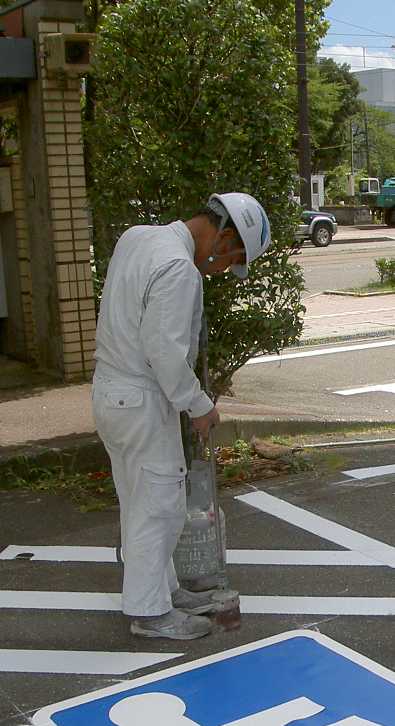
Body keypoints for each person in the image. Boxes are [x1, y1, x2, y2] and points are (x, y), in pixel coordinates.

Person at [91, 193, 271, 640]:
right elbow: (163, 353)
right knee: (160, 506)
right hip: (142, 397)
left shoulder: (138, 238)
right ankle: (150, 612)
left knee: (140, 500)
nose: (222, 270)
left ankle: (163, 589)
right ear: (224, 236)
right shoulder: (179, 269)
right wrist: (199, 405)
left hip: (112, 392)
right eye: (230, 260)